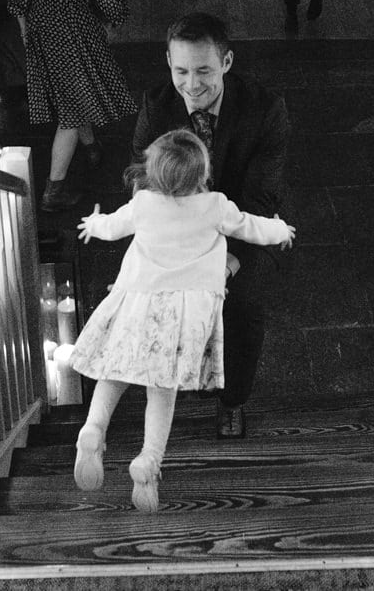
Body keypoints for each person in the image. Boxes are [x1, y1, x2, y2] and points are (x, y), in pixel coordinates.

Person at [69, 129, 295, 511]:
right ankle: (148, 461)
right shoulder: (215, 205)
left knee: (114, 371)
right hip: (183, 317)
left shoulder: (142, 204)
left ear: (152, 174)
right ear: (203, 175)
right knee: (163, 390)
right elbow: (251, 227)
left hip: (137, 304)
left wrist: (93, 224)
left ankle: (93, 428)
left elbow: (110, 227)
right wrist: (280, 230)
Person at [131, 13, 291, 439]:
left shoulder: (266, 110)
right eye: (181, 70)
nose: (192, 84)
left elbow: (261, 198)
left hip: (242, 231)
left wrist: (226, 262)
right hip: (178, 234)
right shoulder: (157, 105)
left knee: (242, 309)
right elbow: (142, 177)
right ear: (168, 61)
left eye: (204, 70)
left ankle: (232, 399)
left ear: (227, 61)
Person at [9, 0, 136, 211]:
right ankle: (54, 190)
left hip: (40, 35)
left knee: (73, 96)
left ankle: (92, 147)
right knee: (71, 110)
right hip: (77, 35)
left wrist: (26, 33)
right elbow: (108, 0)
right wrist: (115, 17)